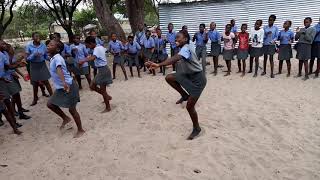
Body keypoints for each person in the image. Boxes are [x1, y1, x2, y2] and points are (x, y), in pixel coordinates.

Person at [146, 30, 207, 140]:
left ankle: (197, 128)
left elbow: (176, 58)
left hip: (198, 80)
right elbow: (179, 60)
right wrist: (170, 67)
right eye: (176, 37)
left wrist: (159, 64)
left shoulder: (186, 48)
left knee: (189, 107)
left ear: (185, 39)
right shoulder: (187, 46)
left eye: (178, 37)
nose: (176, 39)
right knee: (169, 77)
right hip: (189, 75)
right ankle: (184, 95)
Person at [46, 40, 85, 138]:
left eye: (51, 45)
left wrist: (64, 83)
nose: (48, 46)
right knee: (50, 104)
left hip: (68, 86)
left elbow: (59, 69)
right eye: (48, 44)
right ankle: (66, 118)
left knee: (72, 109)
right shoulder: (53, 58)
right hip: (61, 88)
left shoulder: (58, 58)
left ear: (58, 49)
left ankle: (81, 130)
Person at [1, 42, 31, 120]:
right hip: (5, 78)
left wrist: (19, 65)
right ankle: (14, 115)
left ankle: (19, 112)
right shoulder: (4, 54)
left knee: (15, 95)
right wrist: (18, 64)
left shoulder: (4, 54)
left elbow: (11, 65)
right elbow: (9, 67)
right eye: (11, 48)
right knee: (9, 99)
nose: (13, 50)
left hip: (9, 77)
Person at [84, 36, 113, 113]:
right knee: (96, 87)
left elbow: (93, 58)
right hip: (103, 70)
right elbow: (106, 51)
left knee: (96, 88)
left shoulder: (97, 49)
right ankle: (107, 97)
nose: (88, 47)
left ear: (91, 43)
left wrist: (83, 60)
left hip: (103, 70)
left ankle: (108, 107)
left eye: (88, 45)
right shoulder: (100, 47)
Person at [25, 32, 53, 106]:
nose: (38, 38)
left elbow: (46, 55)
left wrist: (50, 58)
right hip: (33, 66)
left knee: (46, 81)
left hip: (42, 64)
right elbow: (27, 59)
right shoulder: (29, 46)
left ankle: (53, 97)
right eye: (36, 36)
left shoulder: (43, 45)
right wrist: (33, 55)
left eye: (39, 36)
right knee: (35, 83)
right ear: (32, 38)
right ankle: (35, 99)